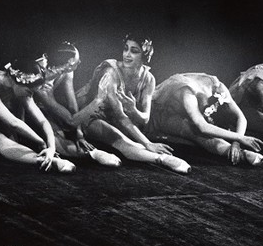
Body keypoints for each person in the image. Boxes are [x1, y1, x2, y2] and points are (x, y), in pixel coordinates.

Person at [76, 34, 191, 174]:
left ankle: (159, 156)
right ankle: (161, 159)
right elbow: (120, 116)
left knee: (134, 141)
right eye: (126, 49)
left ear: (144, 55)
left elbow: (144, 119)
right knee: (121, 140)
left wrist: (133, 110)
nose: (127, 55)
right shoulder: (111, 72)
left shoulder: (148, 79)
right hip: (92, 114)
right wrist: (148, 143)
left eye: (134, 51)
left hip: (118, 119)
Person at [145, 73, 263, 166]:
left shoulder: (217, 86)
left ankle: (235, 150)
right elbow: (202, 126)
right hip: (161, 113)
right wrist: (240, 137)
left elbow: (241, 117)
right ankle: (241, 155)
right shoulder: (187, 93)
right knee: (193, 131)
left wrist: (236, 142)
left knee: (217, 125)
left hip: (191, 112)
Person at [33, 42, 122, 167]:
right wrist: (98, 100)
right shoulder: (42, 84)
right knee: (56, 138)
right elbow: (70, 120)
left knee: (69, 128)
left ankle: (90, 151)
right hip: (30, 110)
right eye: (76, 61)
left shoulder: (67, 71)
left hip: (47, 107)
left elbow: (72, 104)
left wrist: (79, 135)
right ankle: (92, 154)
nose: (79, 62)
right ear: (68, 63)